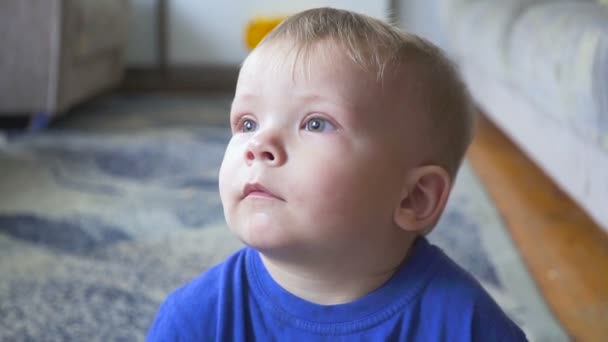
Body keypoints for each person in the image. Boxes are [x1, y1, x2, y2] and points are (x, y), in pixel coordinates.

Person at [147, 7, 527, 341]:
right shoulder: (195, 321)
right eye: (247, 123)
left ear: (415, 197)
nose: (258, 144)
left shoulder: (466, 324)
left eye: (315, 124)